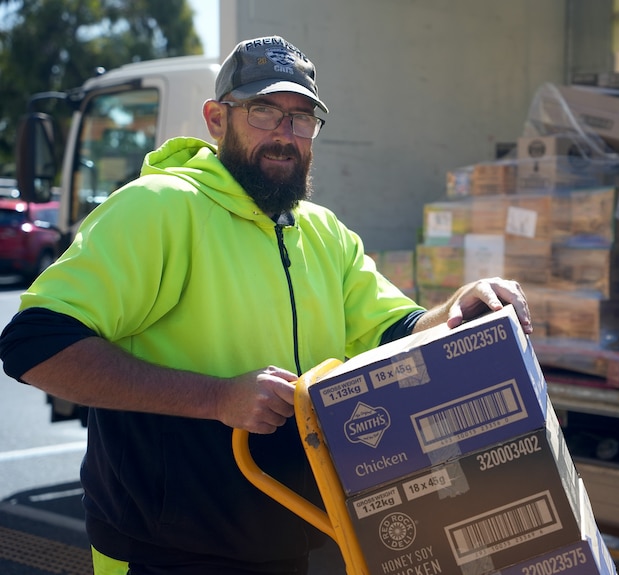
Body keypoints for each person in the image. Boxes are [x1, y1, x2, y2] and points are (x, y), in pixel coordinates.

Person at [0, 35, 531, 575]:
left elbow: (396, 332)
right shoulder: (157, 208)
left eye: (302, 119)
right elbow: (34, 344)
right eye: (264, 112)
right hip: (167, 550)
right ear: (215, 119)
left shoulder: (323, 232)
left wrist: (458, 309)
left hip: (297, 536)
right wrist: (217, 398)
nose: (285, 135)